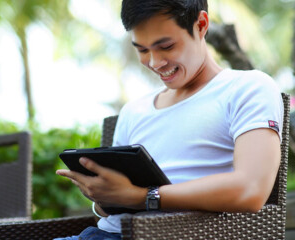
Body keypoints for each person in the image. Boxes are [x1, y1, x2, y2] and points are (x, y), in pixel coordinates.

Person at [55, 0, 284, 239]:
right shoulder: (134, 110)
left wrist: (142, 197)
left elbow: (251, 190)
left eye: (166, 46)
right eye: (142, 50)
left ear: (201, 25)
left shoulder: (247, 88)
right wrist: (104, 197)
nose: (155, 62)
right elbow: (113, 208)